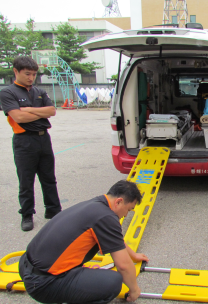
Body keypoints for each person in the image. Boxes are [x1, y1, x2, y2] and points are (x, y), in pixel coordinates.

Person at [19, 180, 149, 304]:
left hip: (25, 266)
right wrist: (134, 290)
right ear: (119, 202)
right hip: (43, 283)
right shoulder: (107, 218)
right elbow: (124, 266)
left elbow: (115, 239)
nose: (126, 215)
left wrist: (133, 255)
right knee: (113, 282)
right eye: (128, 209)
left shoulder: (96, 205)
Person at [0, 56, 61, 231]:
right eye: (27, 74)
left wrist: (29, 110)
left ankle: (53, 210)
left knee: (49, 178)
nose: (30, 78)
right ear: (16, 72)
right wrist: (39, 113)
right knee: (26, 181)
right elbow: (18, 117)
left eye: (33, 74)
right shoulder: (8, 92)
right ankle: (27, 214)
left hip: (43, 138)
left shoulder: (39, 92)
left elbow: (52, 111)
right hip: (24, 141)